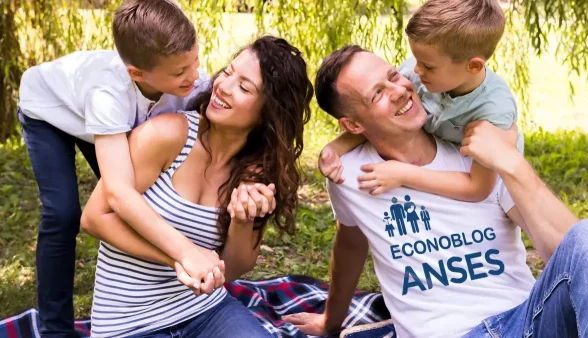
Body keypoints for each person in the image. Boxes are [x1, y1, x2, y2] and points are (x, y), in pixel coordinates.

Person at [282, 46, 588, 338]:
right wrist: (330, 321)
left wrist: (511, 163)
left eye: (393, 76)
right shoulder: (348, 175)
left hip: (525, 322)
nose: (399, 91)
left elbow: (573, 255)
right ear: (352, 125)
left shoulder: (478, 154)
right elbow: (350, 243)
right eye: (377, 93)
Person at [80, 35, 313, 338]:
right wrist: (182, 256)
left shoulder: (256, 171)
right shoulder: (166, 136)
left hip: (206, 312)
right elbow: (94, 218)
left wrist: (242, 220)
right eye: (228, 73)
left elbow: (231, 268)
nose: (223, 87)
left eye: (244, 87)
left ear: (269, 113)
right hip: (130, 323)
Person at [17, 1, 213, 335]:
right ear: (136, 73)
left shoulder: (190, 79)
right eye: (180, 73)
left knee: (143, 202)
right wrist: (185, 251)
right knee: (64, 214)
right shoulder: (108, 94)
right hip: (50, 114)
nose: (194, 77)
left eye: (195, 62)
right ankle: (55, 329)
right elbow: (120, 192)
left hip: (106, 121)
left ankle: (150, 299)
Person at [319, 0, 522, 203]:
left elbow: (477, 188)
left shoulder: (494, 109)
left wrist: (403, 174)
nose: (415, 70)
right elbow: (376, 118)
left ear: (474, 67)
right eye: (416, 60)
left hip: (490, 195)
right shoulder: (417, 75)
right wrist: (336, 148)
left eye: (428, 65)